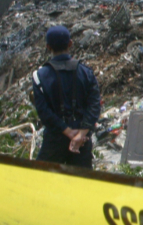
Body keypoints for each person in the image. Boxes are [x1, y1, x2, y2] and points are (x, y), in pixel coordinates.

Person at [32, 25, 101, 168]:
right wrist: (80, 134)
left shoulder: (40, 76)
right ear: (70, 43)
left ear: (48, 47)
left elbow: (44, 112)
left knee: (41, 177)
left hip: (55, 138)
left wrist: (68, 132)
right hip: (82, 140)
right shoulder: (86, 73)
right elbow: (94, 106)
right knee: (80, 180)